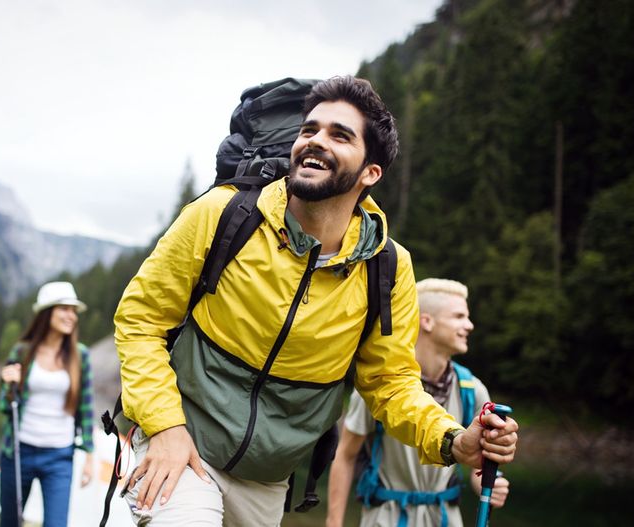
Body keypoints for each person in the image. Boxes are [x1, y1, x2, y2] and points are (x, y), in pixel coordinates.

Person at [112, 75, 519, 526]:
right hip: (181, 447)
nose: (315, 141)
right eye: (310, 130)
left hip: (267, 480)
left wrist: (454, 440)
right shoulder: (221, 214)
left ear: (370, 172)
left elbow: (391, 383)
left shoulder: (387, 266)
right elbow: (141, 320)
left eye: (339, 135)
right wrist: (166, 428)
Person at [325, 278, 510, 527]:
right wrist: (333, 523)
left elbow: (477, 463)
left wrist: (487, 483)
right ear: (427, 321)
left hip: (446, 519)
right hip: (386, 519)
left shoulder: (472, 390)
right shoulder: (380, 387)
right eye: (459, 316)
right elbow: (346, 456)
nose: (469, 325)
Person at [0, 281, 95, 527]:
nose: (71, 316)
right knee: (10, 522)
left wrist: (90, 456)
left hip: (59, 456)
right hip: (18, 451)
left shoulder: (80, 355)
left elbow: (86, 408)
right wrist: (9, 386)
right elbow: (4, 407)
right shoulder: (22, 352)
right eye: (64, 308)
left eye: (73, 310)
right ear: (46, 313)